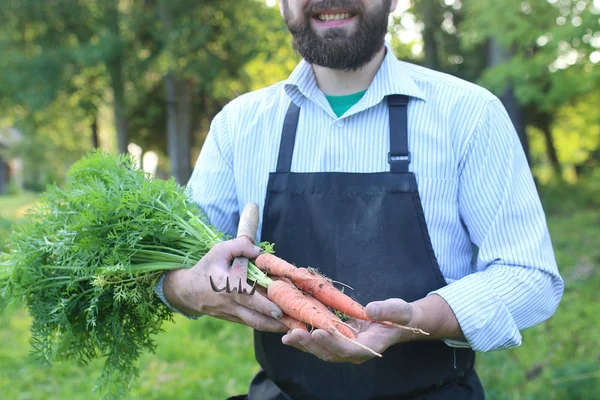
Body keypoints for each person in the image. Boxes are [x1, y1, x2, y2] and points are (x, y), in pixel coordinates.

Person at [156, 0, 564, 398]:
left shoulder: (469, 114)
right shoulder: (238, 125)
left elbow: (528, 275)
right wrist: (185, 288)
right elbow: (172, 262)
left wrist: (419, 319)